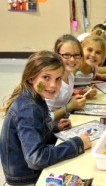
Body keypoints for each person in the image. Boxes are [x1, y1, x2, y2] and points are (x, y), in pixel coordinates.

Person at [0, 51, 91, 185]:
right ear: (31, 78)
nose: (53, 85)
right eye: (46, 77)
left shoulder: (35, 97)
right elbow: (36, 159)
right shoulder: (28, 109)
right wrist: (77, 144)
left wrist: (54, 127)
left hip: (27, 172)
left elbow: (33, 133)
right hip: (26, 179)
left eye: (58, 79)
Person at [46, 34, 87, 123]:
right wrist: (70, 107)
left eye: (76, 55)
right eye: (66, 55)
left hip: (61, 123)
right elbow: (45, 118)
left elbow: (63, 96)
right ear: (57, 55)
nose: (72, 59)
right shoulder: (52, 83)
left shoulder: (70, 75)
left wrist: (78, 94)